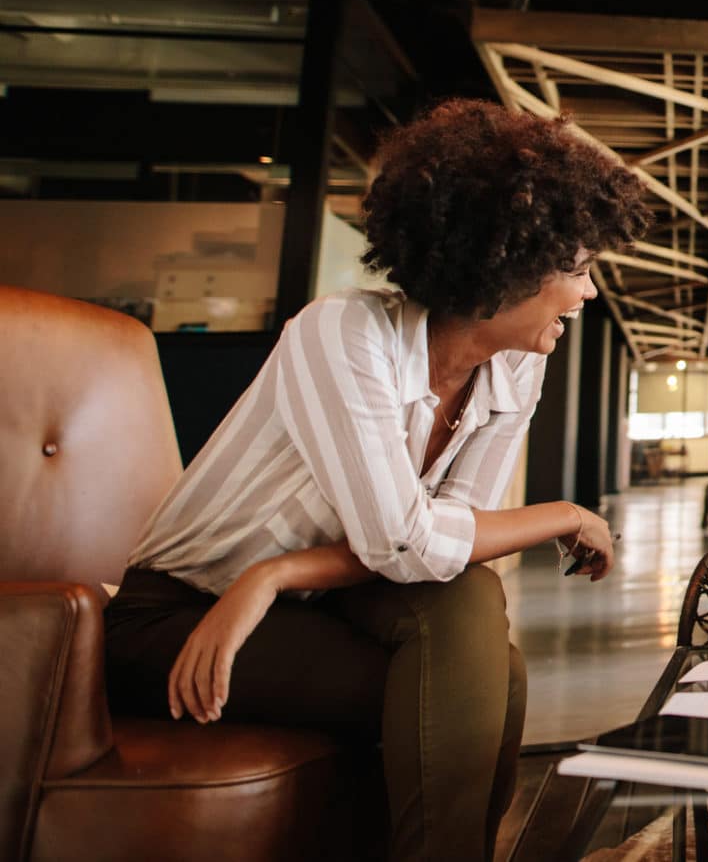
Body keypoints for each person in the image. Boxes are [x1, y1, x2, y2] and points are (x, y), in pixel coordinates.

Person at [102, 99, 649, 862]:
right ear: (506, 262)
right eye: (576, 268)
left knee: (476, 621)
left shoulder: (518, 366)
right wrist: (562, 514)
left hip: (306, 597)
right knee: (481, 679)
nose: (587, 294)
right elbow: (409, 539)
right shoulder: (344, 334)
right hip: (175, 613)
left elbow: (440, 545)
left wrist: (274, 573)